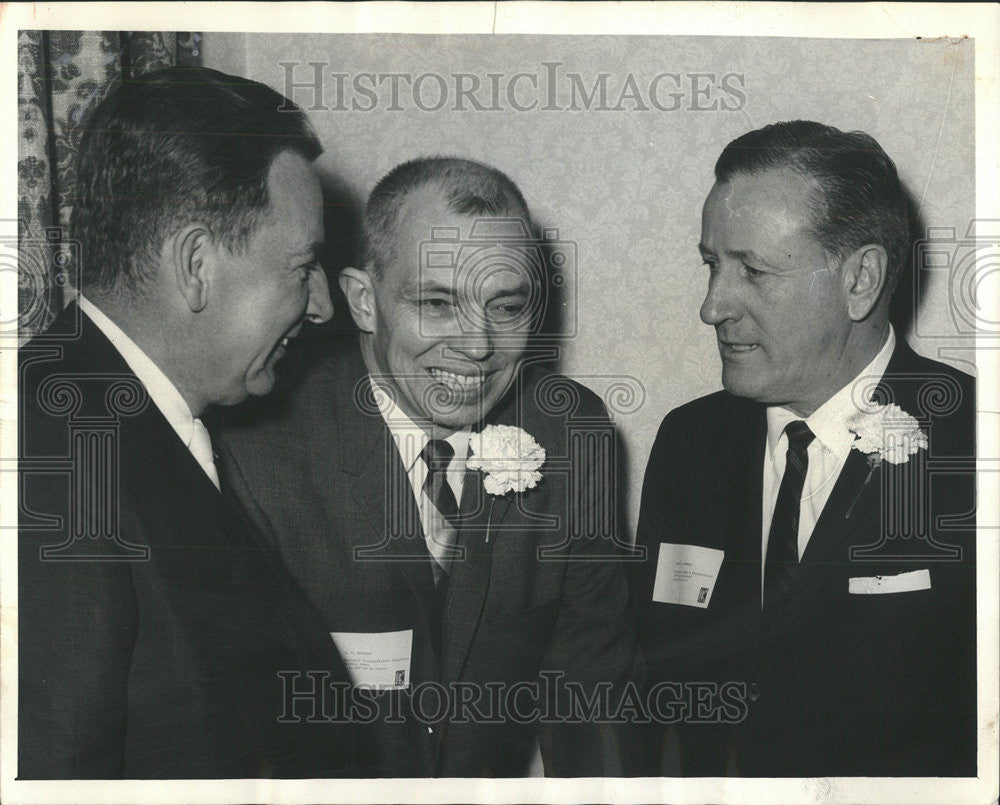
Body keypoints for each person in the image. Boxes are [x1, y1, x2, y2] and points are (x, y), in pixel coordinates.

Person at [213, 157, 639, 777]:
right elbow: (232, 726)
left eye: (506, 306)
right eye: (437, 304)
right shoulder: (259, 444)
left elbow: (594, 693)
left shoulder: (572, 430)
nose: (477, 346)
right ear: (363, 300)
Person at [18, 67, 357, 778]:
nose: (323, 305)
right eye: (302, 267)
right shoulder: (53, 453)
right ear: (197, 263)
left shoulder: (124, 417)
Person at [634, 120, 976, 777]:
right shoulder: (689, 441)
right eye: (712, 264)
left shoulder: (975, 443)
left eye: (753, 271)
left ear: (860, 280)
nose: (712, 306)